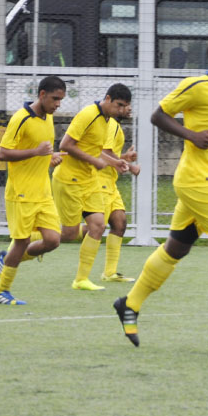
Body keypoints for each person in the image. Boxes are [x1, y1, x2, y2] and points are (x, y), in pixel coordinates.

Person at [113, 36, 208, 348]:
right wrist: (190, 135)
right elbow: (159, 115)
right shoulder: (197, 86)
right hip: (197, 179)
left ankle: (129, 304)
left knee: (176, 249)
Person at [0, 76, 67, 305]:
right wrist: (36, 152)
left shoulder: (48, 117)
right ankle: (0, 292)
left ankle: (6, 259)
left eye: (61, 100)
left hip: (43, 192)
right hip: (21, 193)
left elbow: (41, 149)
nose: (58, 104)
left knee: (53, 240)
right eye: (55, 99)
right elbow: (3, 153)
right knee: (22, 242)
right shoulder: (20, 119)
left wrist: (50, 156)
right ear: (42, 95)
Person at [53, 84, 132, 291]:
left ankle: (81, 280)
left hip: (89, 181)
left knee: (98, 225)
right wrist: (94, 161)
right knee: (69, 234)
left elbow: (96, 150)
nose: (121, 109)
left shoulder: (107, 120)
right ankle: (29, 241)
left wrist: (116, 162)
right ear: (107, 99)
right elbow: (65, 145)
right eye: (118, 105)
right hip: (69, 180)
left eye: (124, 106)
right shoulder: (88, 114)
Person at [97, 102, 141, 282]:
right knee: (92, 228)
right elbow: (103, 151)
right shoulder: (112, 125)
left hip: (110, 182)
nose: (129, 109)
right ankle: (39, 237)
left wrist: (123, 157)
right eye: (125, 105)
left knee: (120, 223)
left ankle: (110, 273)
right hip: (100, 182)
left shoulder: (114, 125)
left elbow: (107, 153)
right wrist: (129, 166)